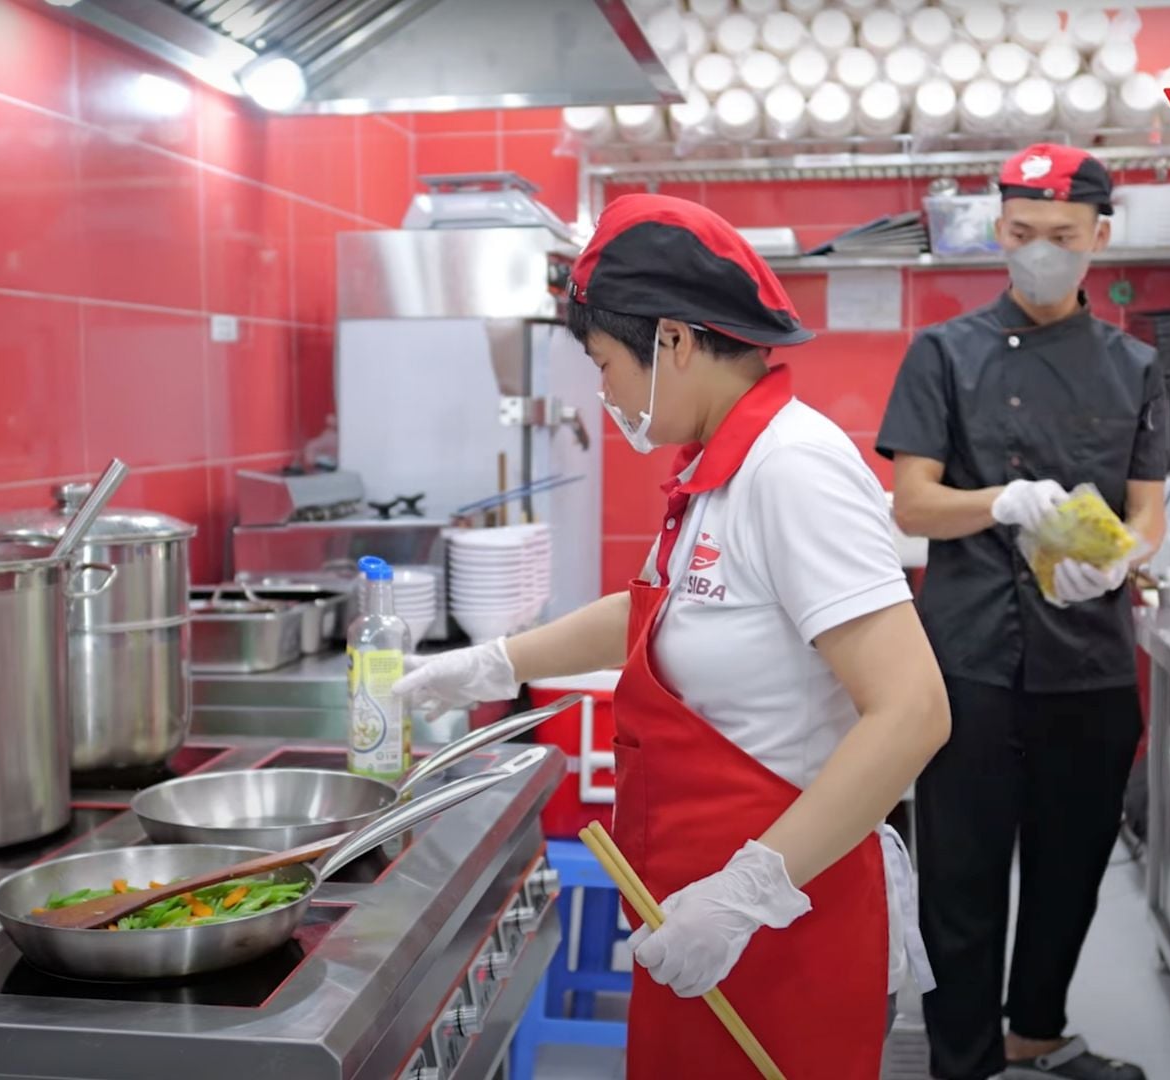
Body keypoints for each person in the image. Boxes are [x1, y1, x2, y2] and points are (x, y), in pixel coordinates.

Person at [395, 193, 950, 1078]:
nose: (605, 392)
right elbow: (654, 611)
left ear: (675, 341)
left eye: (605, 363)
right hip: (702, 920)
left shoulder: (792, 469)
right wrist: (490, 664)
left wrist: (746, 894)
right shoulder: (717, 470)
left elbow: (913, 712)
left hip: (782, 925)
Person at [876, 144, 1169, 1080]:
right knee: (959, 882)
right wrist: (1000, 501)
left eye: (1063, 236)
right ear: (998, 230)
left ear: (1100, 238)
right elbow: (913, 504)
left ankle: (1036, 1036)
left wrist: (1117, 563)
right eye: (1023, 232)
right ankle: (961, 1064)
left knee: (1070, 871)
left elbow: (1149, 515)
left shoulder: (1136, 366)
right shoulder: (943, 354)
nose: (1041, 251)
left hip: (1088, 661)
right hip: (969, 660)